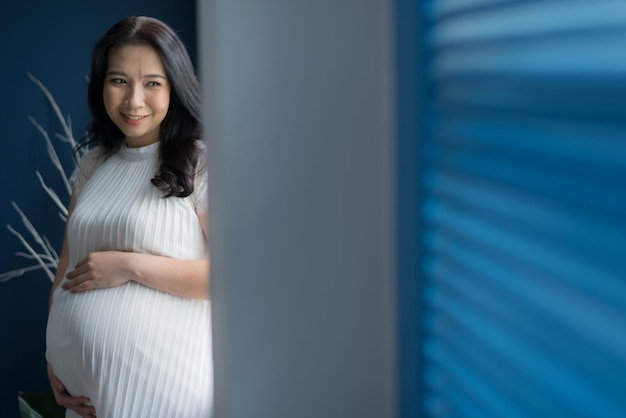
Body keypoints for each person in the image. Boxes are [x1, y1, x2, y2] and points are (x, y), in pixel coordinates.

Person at [45, 16, 212, 418]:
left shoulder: (200, 162)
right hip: (84, 403)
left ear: (175, 86)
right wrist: (54, 360)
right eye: (119, 81)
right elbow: (65, 271)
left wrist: (130, 266)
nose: (133, 100)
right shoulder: (91, 165)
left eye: (152, 83)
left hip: (165, 392)